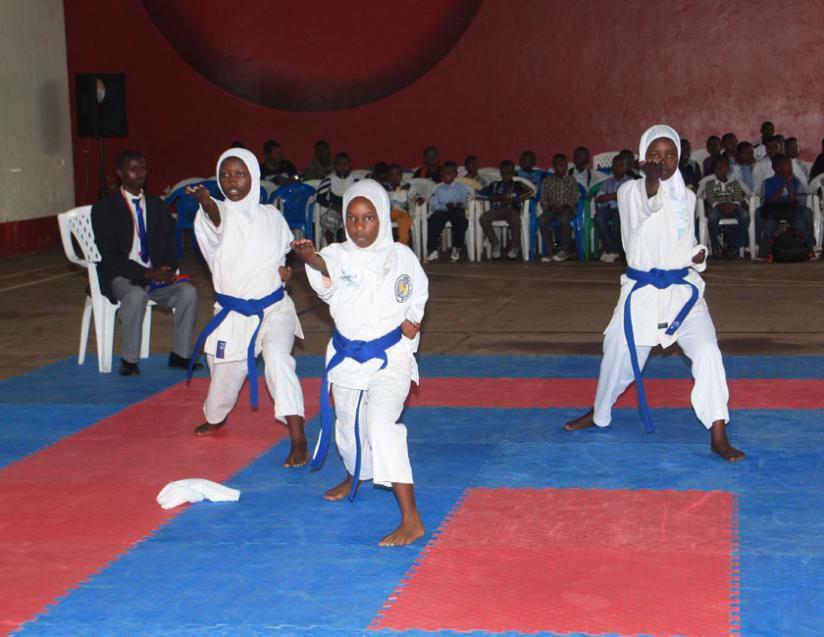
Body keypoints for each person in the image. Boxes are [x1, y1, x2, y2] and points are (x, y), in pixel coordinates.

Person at [563, 124, 744, 463]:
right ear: (643, 158)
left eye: (670, 155)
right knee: (616, 354)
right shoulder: (629, 191)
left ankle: (718, 432)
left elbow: (683, 239)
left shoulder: (687, 196)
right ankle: (599, 413)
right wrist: (650, 179)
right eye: (655, 155)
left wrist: (697, 253)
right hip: (642, 294)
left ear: (680, 158)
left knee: (708, 354)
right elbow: (646, 207)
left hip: (683, 294)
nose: (663, 161)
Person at [291, 179, 429, 547]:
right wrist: (311, 259)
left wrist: (413, 318)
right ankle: (356, 474)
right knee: (347, 431)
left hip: (391, 357)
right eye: (352, 218)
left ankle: (411, 518)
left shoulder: (402, 257)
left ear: (382, 217)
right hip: (348, 358)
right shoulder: (340, 254)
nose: (359, 227)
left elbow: (418, 290)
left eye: (368, 218)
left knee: (381, 426)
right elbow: (326, 267)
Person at [186, 148, 307, 467]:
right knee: (223, 376)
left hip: (274, 309)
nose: (231, 180)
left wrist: (286, 272)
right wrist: (207, 201)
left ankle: (298, 436)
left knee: (280, 361)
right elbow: (218, 221)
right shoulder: (213, 214)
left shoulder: (272, 215)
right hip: (233, 314)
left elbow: (281, 257)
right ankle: (216, 417)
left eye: (239, 173)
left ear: (253, 175)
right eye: (224, 174)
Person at [91, 150, 198, 377]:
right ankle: (129, 361)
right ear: (120, 173)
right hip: (121, 276)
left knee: (188, 292)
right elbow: (110, 257)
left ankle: (180, 355)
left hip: (154, 275)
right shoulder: (105, 209)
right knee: (136, 296)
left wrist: (167, 268)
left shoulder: (157, 206)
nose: (140, 173)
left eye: (143, 168)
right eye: (133, 168)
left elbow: (170, 244)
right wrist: (148, 274)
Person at [756, 154, 814, 258]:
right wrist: (783, 184)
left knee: (803, 217)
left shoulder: (796, 181)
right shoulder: (768, 182)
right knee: (769, 225)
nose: (790, 167)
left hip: (791, 209)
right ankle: (763, 250)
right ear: (777, 168)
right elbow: (770, 201)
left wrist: (789, 183)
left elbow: (794, 200)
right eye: (786, 165)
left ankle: (810, 248)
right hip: (774, 210)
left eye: (789, 164)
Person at [477, 160, 534, 259]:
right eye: (503, 173)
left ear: (513, 173)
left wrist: (514, 199)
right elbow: (478, 194)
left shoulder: (518, 184)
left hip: (512, 210)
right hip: (496, 210)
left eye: (508, 173)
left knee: (515, 220)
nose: (505, 176)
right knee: (483, 218)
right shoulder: (494, 185)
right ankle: (495, 243)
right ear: (500, 173)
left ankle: (515, 246)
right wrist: (491, 197)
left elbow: (532, 192)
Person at [703, 156, 750, 257]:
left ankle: (737, 245)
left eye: (724, 167)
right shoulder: (710, 184)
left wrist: (733, 206)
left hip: (733, 207)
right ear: (714, 169)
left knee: (745, 216)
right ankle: (716, 245)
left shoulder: (734, 183)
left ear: (728, 168)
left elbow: (738, 197)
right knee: (712, 217)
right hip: (717, 208)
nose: (721, 170)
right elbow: (711, 198)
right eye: (718, 167)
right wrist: (720, 206)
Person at [425, 161, 471, 262]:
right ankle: (433, 250)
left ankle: (457, 247)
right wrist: (445, 206)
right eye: (444, 174)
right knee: (433, 220)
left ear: (455, 174)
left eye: (449, 174)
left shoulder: (461, 187)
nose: (446, 176)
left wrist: (458, 204)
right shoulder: (438, 189)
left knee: (461, 220)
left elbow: (465, 202)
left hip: (456, 210)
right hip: (442, 210)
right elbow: (434, 205)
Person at [538, 153, 580, 262]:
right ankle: (549, 250)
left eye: (564, 166)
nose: (562, 168)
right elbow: (543, 198)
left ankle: (564, 250)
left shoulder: (571, 180)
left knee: (564, 219)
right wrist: (549, 206)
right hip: (551, 209)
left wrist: (567, 205)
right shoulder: (547, 181)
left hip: (567, 209)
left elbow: (576, 196)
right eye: (559, 166)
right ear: (554, 167)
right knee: (542, 220)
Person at [594, 155, 631, 262]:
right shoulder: (607, 182)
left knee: (618, 221)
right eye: (615, 165)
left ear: (625, 168)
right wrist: (616, 195)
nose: (617, 168)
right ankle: (613, 250)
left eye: (621, 165)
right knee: (599, 219)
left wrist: (611, 196)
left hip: (621, 208)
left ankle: (613, 250)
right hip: (606, 207)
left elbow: (628, 198)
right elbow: (599, 198)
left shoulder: (630, 182)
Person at [317, 152, 358, 245]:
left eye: (345, 164)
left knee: (351, 225)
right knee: (328, 221)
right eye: (339, 164)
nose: (342, 167)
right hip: (334, 209)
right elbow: (319, 197)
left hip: (351, 210)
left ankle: (348, 248)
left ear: (349, 165)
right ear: (335, 165)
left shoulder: (356, 180)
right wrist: (332, 205)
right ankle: (332, 247)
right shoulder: (329, 179)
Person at [386, 163, 415, 247]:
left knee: (405, 220)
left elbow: (414, 194)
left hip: (402, 213)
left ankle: (403, 244)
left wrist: (419, 199)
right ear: (388, 176)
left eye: (397, 174)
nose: (395, 177)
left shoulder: (407, 187)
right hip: (388, 213)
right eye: (392, 175)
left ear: (401, 175)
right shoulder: (384, 188)